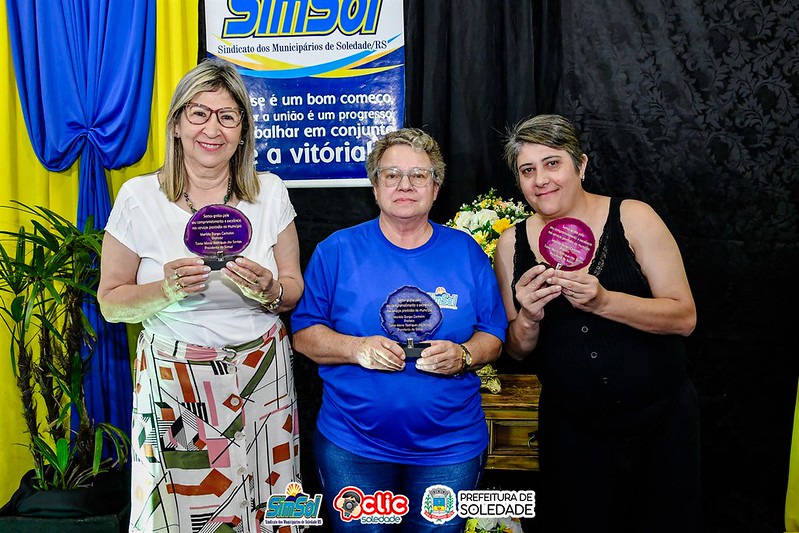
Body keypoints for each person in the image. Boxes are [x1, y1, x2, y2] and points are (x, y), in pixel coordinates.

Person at [97, 59, 304, 533]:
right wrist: (165, 290)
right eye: (199, 113)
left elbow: (292, 290)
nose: (213, 129)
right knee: (181, 514)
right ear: (176, 124)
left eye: (228, 116)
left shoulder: (270, 192)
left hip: (263, 375)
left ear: (243, 130)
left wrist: (270, 290)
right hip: (175, 380)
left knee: (271, 505)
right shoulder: (138, 197)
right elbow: (110, 303)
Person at [291, 128, 507, 532]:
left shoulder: (466, 253)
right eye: (392, 175)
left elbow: (493, 335)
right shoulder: (336, 251)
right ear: (375, 187)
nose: (405, 185)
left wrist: (464, 355)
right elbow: (304, 335)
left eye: (418, 175)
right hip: (354, 446)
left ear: (436, 187)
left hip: (450, 448)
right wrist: (356, 348)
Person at [494, 114, 701, 533]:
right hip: (574, 432)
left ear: (581, 165)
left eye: (553, 163)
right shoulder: (511, 243)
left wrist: (605, 302)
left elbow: (684, 318)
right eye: (527, 170)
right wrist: (529, 317)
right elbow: (515, 349)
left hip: (661, 423)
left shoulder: (634, 217)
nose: (541, 180)